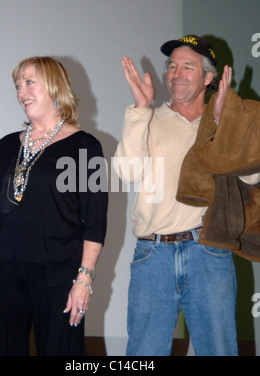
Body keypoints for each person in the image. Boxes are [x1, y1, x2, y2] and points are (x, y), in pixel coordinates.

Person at [115, 35, 259, 356]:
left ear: (208, 78)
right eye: (172, 66)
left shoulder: (221, 122)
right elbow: (127, 172)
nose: (176, 73)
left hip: (208, 254)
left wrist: (223, 121)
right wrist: (140, 109)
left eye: (187, 67)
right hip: (153, 256)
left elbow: (252, 177)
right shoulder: (148, 119)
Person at [0, 56, 108, 356]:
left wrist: (84, 279)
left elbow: (95, 221)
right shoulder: (6, 145)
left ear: (55, 87)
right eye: (18, 86)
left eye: (29, 83)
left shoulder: (86, 146)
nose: (21, 93)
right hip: (3, 273)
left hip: (57, 275)